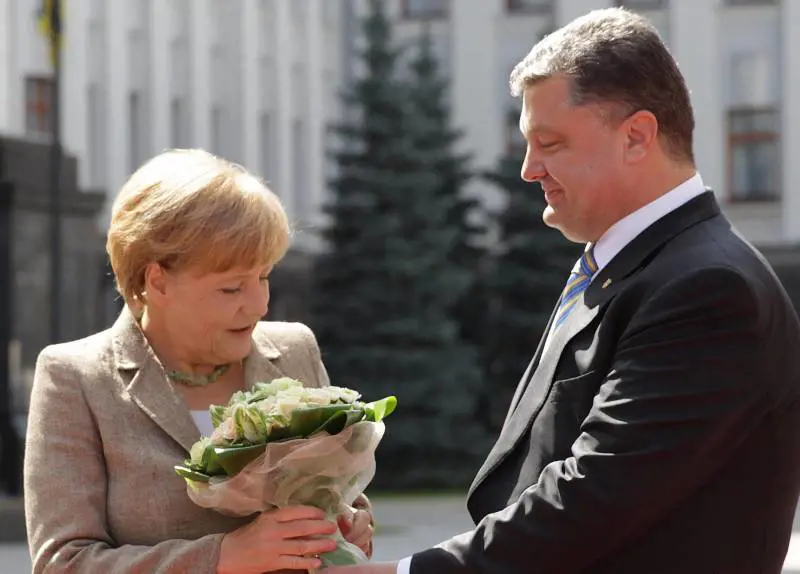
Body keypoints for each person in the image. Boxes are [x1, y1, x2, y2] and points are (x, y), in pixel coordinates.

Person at [328, 7, 800, 574]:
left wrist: (401, 573)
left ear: (637, 136)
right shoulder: (631, 264)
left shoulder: (706, 290)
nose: (528, 169)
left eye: (550, 143)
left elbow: (594, 499)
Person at [24, 149, 374, 573]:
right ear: (157, 281)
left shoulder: (295, 349)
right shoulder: (75, 378)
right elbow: (63, 564)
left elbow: (339, 492)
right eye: (232, 288)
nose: (259, 305)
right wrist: (222, 557)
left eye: (264, 277)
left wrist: (351, 522)